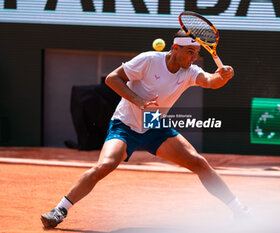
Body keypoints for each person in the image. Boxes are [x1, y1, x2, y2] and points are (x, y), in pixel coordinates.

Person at [41, 29, 250, 228]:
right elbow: (112, 79)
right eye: (190, 51)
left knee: (199, 163)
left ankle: (240, 211)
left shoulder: (190, 71)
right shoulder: (149, 60)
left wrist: (222, 76)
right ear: (175, 49)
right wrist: (140, 101)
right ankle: (59, 211)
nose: (194, 57)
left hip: (154, 124)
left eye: (197, 53)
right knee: (105, 165)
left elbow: (210, 82)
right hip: (125, 124)